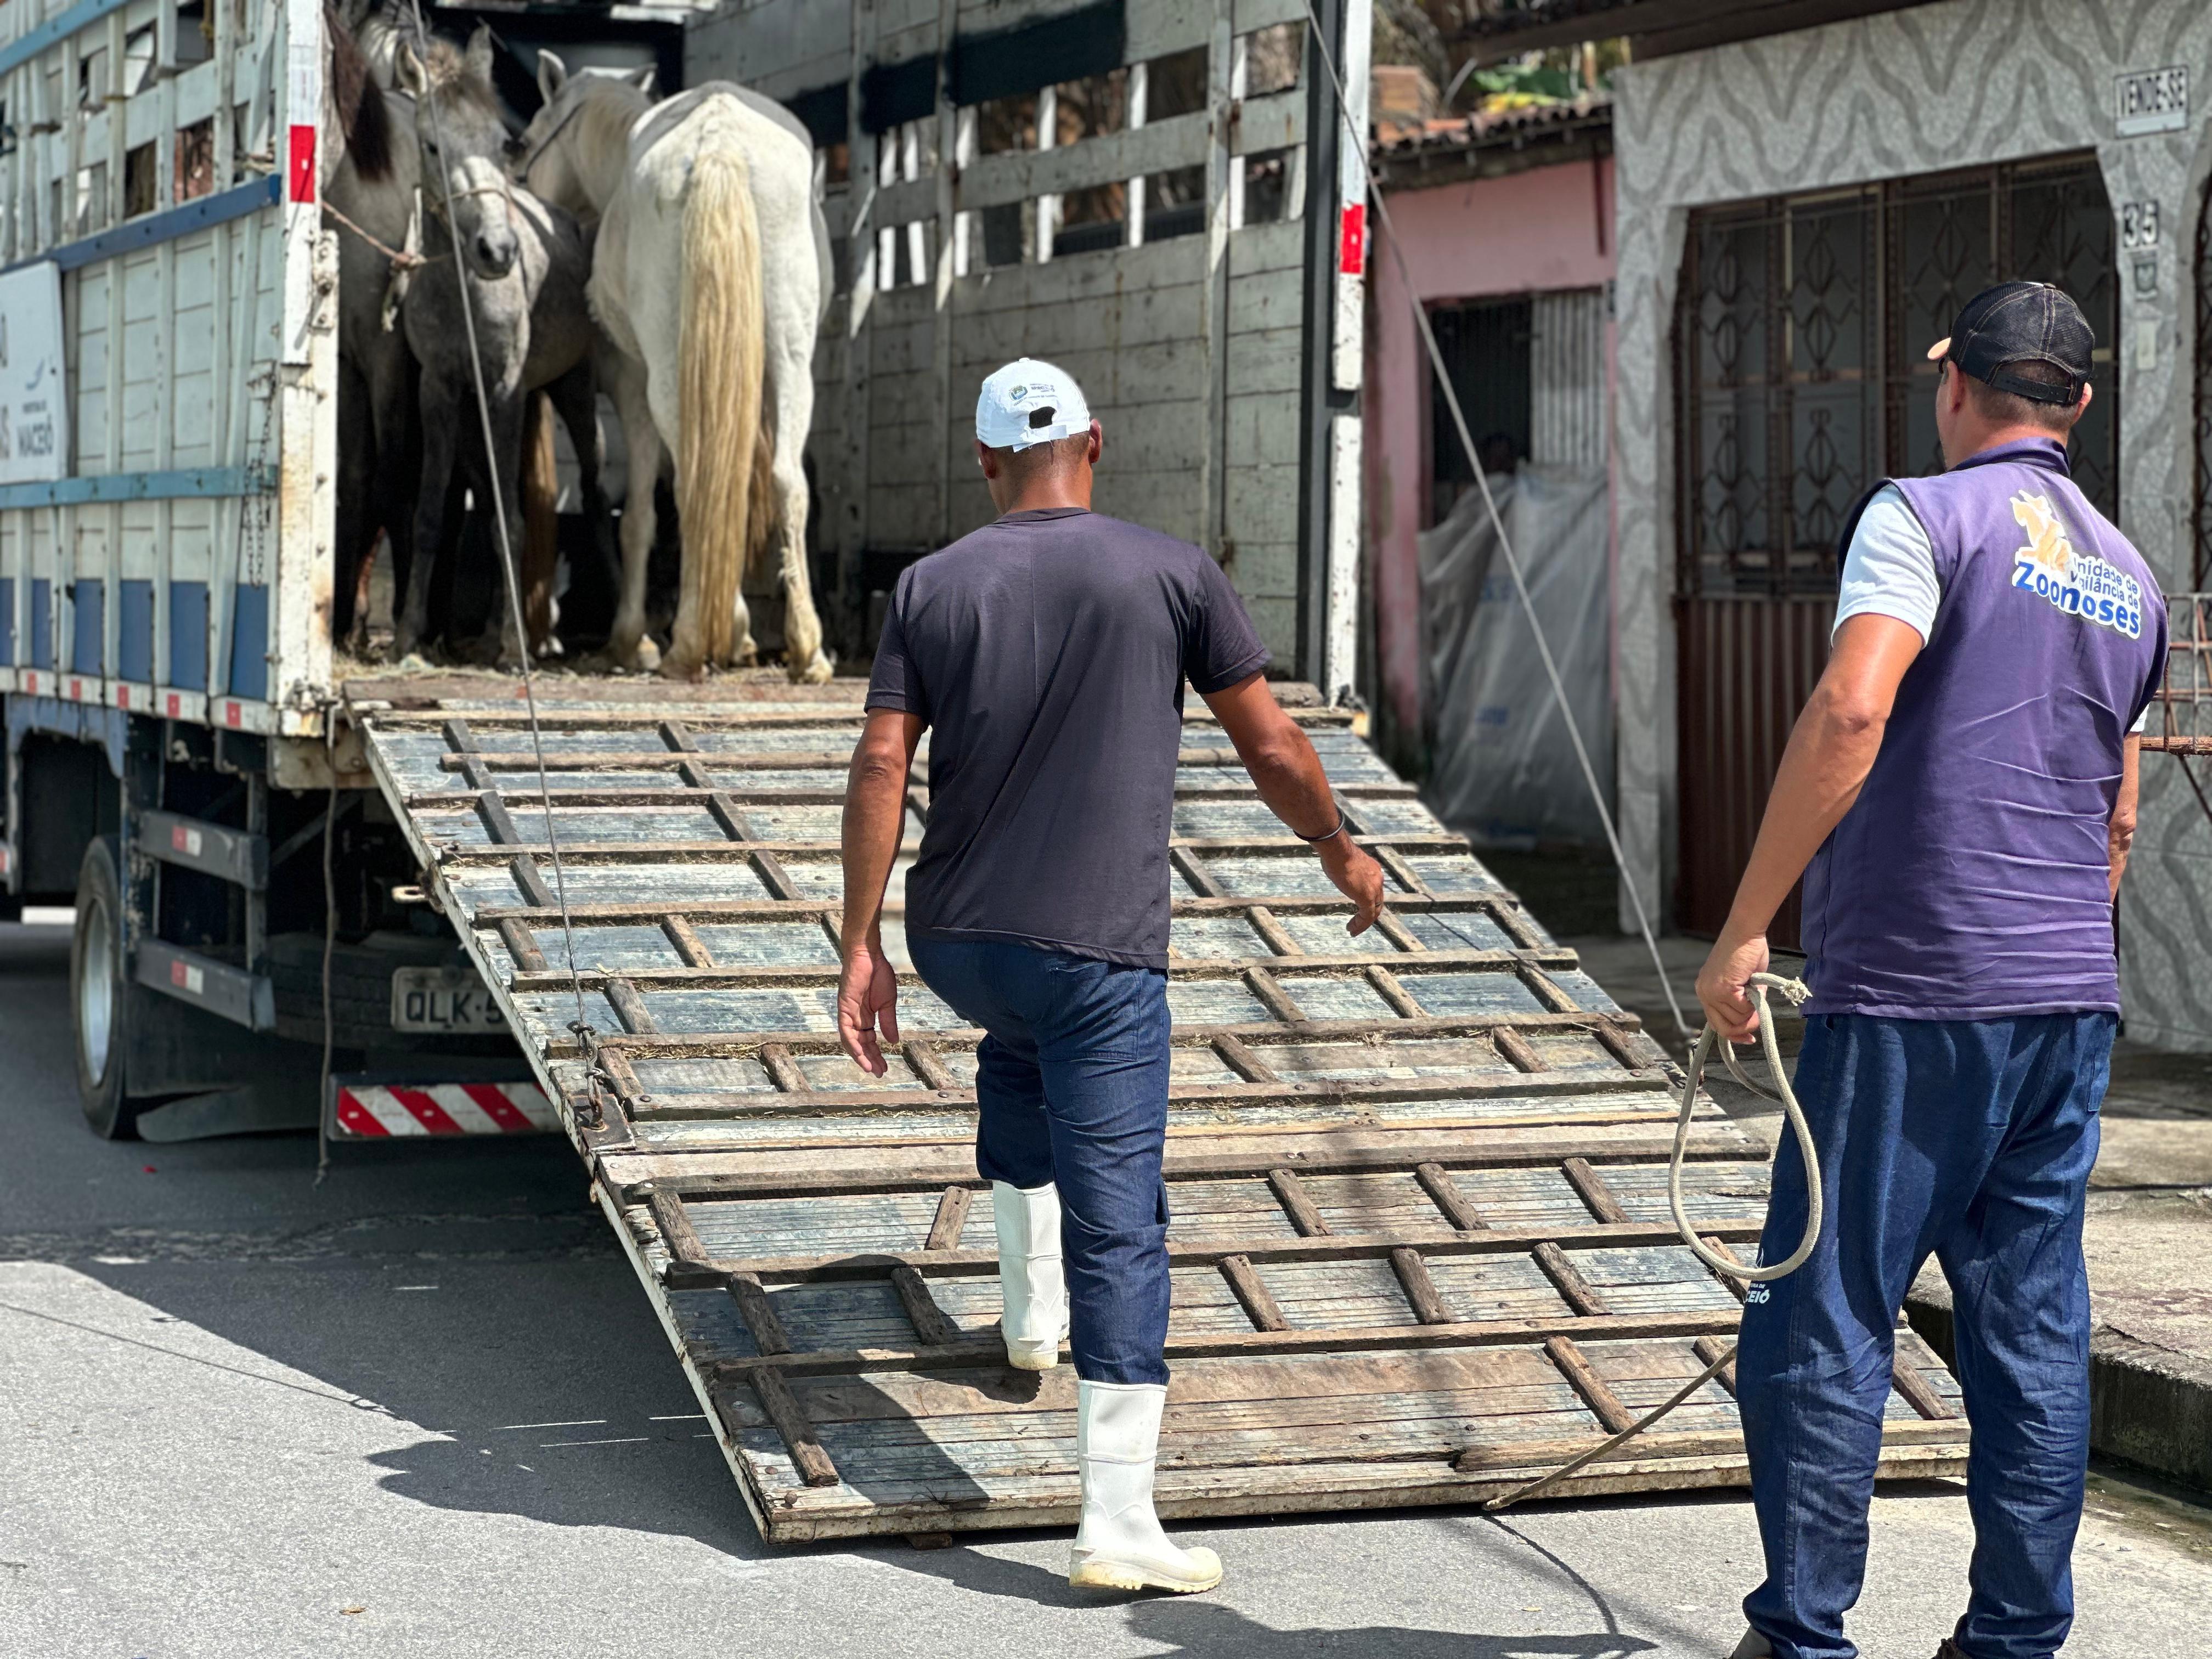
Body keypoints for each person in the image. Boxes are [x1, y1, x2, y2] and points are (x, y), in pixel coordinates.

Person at [837, 358, 1385, 1594]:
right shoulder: (1174, 569)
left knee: (1018, 1039)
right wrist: (1338, 848)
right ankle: (1119, 1522)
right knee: (1122, 1214)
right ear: (1098, 441)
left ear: (985, 464)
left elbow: (880, 768)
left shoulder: (929, 585)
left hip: (962, 944)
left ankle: (1031, 1324)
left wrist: (860, 944)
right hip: (1097, 949)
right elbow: (1274, 744)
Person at [1696, 283, 2166, 1659]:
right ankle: (2017, 1638)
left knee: (1823, 1301)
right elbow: (2119, 814)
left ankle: (1803, 1633)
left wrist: (1746, 926)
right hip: (2067, 996)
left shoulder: (1920, 517)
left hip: (1912, 988)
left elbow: (1855, 703)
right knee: (2032, 1326)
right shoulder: (2128, 573)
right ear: (2077, 405)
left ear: (1953, 384)